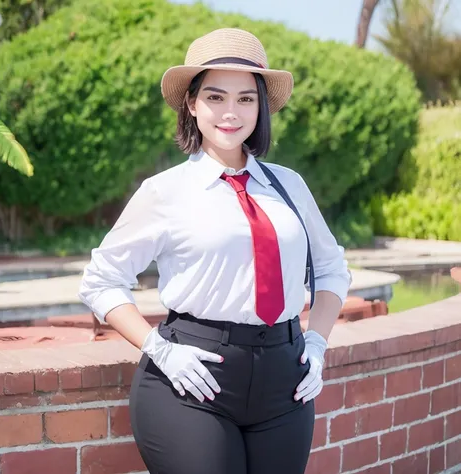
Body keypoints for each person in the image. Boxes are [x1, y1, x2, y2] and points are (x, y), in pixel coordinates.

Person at [78, 27, 351, 474]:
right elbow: (101, 280)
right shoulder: (165, 191)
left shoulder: (290, 187)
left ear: (261, 106)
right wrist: (160, 349)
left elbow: (331, 269)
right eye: (215, 96)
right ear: (191, 103)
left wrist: (318, 342)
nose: (231, 112)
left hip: (285, 380)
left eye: (246, 98)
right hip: (193, 378)